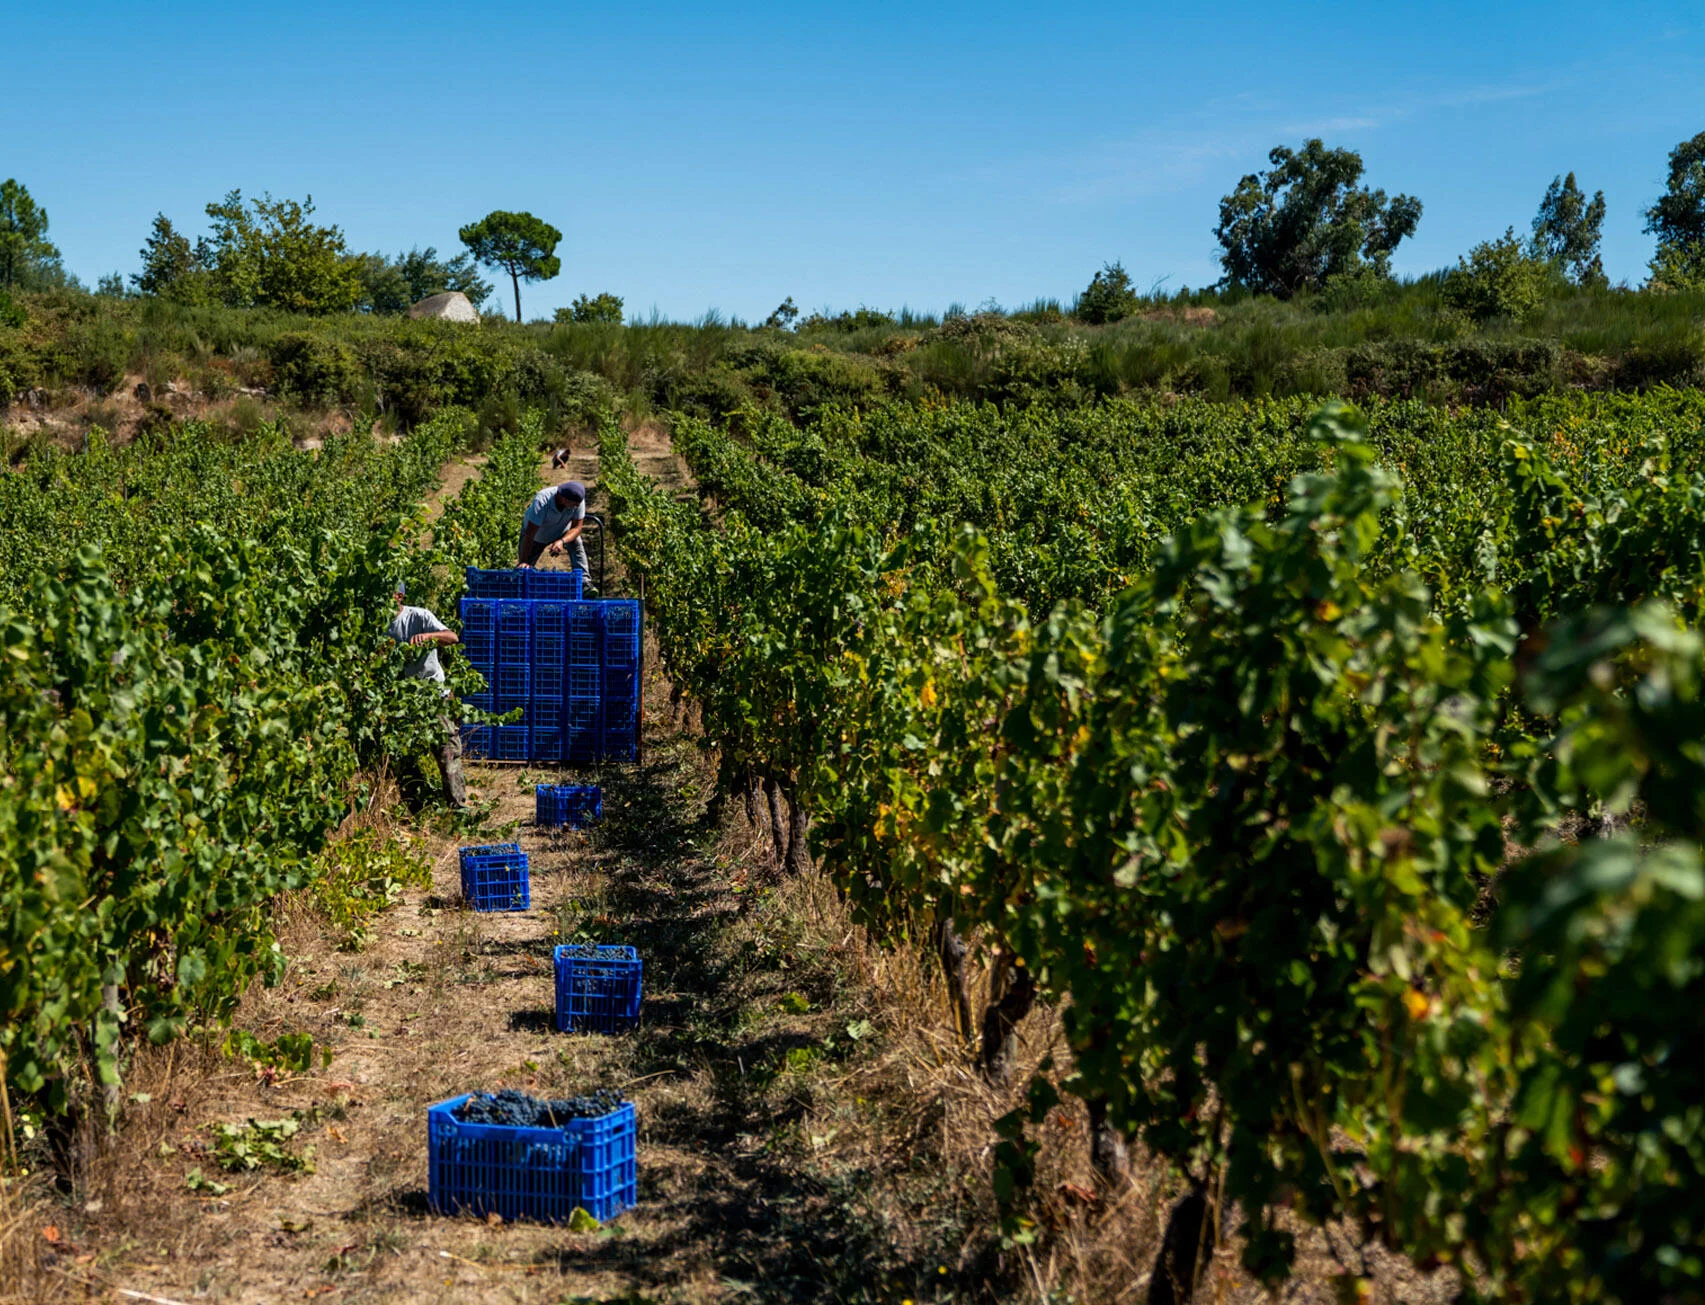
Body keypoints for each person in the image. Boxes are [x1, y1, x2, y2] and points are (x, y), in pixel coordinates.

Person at [386, 582, 468, 810]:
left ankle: (457, 808)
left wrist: (429, 636)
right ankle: (416, 806)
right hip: (403, 700)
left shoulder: (419, 616)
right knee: (402, 755)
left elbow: (452, 637)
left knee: (447, 752)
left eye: (387, 594)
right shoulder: (379, 625)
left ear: (399, 596)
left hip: (435, 696)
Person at [518, 481, 587, 573]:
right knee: (525, 568)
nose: (577, 506)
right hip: (537, 536)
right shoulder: (542, 501)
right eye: (574, 504)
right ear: (564, 499)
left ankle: (584, 579)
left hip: (561, 531)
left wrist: (562, 541)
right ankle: (524, 576)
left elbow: (577, 528)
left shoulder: (578, 499)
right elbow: (530, 533)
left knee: (576, 541)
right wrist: (523, 561)